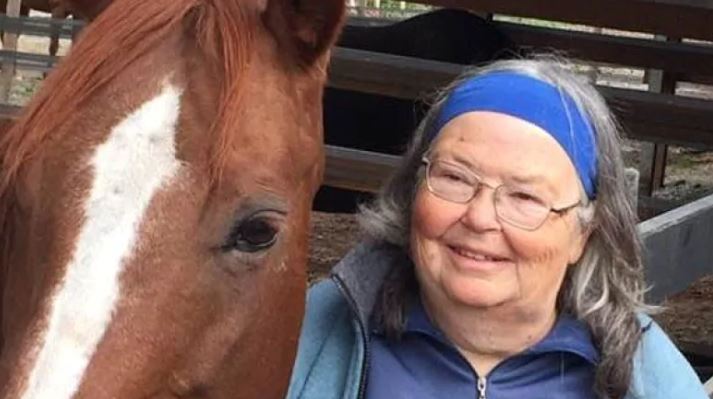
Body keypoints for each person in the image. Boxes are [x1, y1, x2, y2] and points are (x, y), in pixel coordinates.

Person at [287, 58, 707, 399]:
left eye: (525, 198)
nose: (480, 217)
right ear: (413, 190)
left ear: (584, 234)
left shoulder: (648, 376)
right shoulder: (308, 337)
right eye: (454, 178)